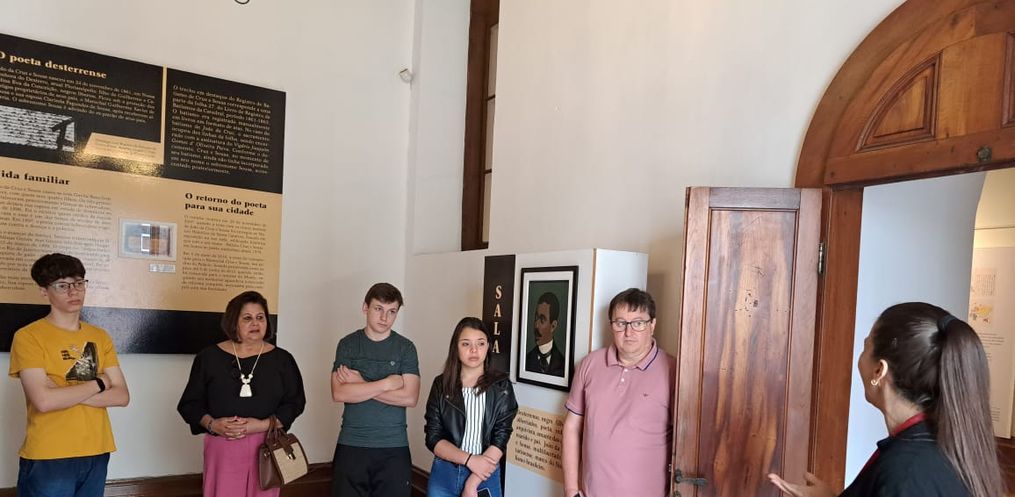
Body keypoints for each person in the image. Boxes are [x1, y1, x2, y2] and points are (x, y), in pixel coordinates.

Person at [768, 302, 1005, 497]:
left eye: (866, 347)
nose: (860, 357)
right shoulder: (941, 444)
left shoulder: (906, 473)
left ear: (879, 371)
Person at [9, 253, 130, 497]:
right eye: (62, 286)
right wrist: (100, 382)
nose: (73, 291)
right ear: (44, 292)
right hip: (50, 453)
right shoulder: (28, 337)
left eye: (78, 283)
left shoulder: (100, 336)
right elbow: (44, 402)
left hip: (97, 449)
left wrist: (62, 393)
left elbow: (121, 396)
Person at [177, 290, 306, 497]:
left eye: (260, 317)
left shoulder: (283, 359)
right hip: (223, 445)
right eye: (247, 318)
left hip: (268, 444)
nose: (255, 323)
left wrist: (261, 425)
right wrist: (213, 424)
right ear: (233, 322)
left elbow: (295, 403)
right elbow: (189, 404)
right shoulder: (208, 357)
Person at [562, 288, 676, 497]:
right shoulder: (590, 364)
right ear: (611, 326)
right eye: (620, 323)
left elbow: (686, 444)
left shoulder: (673, 371)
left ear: (652, 325)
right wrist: (571, 490)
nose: (629, 332)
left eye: (638, 323)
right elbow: (572, 427)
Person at [331, 283, 420, 497]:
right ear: (365, 307)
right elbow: (339, 393)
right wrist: (387, 383)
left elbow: (410, 397)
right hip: (351, 443)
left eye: (392, 311)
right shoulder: (348, 344)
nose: (384, 317)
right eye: (378, 308)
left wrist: (360, 383)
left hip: (394, 447)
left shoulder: (406, 348)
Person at [424, 317, 518, 497]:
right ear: (456, 347)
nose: (474, 350)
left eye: (480, 343)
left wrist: (472, 482)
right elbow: (433, 437)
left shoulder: (502, 386)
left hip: (484, 474)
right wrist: (469, 460)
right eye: (466, 344)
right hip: (445, 473)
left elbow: (501, 438)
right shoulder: (441, 385)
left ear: (488, 346)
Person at [524, 291, 566, 377]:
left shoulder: (564, 364)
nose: (536, 325)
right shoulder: (525, 361)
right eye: (536, 318)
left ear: (553, 326)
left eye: (542, 320)